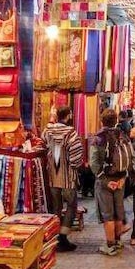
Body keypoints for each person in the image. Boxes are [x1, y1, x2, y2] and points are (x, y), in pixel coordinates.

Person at [90, 109, 135, 256]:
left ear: (102, 120)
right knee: (118, 211)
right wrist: (123, 178)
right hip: (120, 180)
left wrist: (104, 180)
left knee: (107, 214)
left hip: (105, 181)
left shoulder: (98, 138)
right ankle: (118, 240)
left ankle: (110, 245)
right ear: (116, 120)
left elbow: (94, 163)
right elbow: (132, 159)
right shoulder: (123, 136)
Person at [42, 106, 84, 252]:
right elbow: (76, 155)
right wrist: (75, 166)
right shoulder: (71, 133)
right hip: (67, 177)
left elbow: (42, 145)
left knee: (56, 207)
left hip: (53, 175)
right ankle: (63, 237)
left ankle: (54, 236)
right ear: (68, 116)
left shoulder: (48, 131)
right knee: (71, 206)